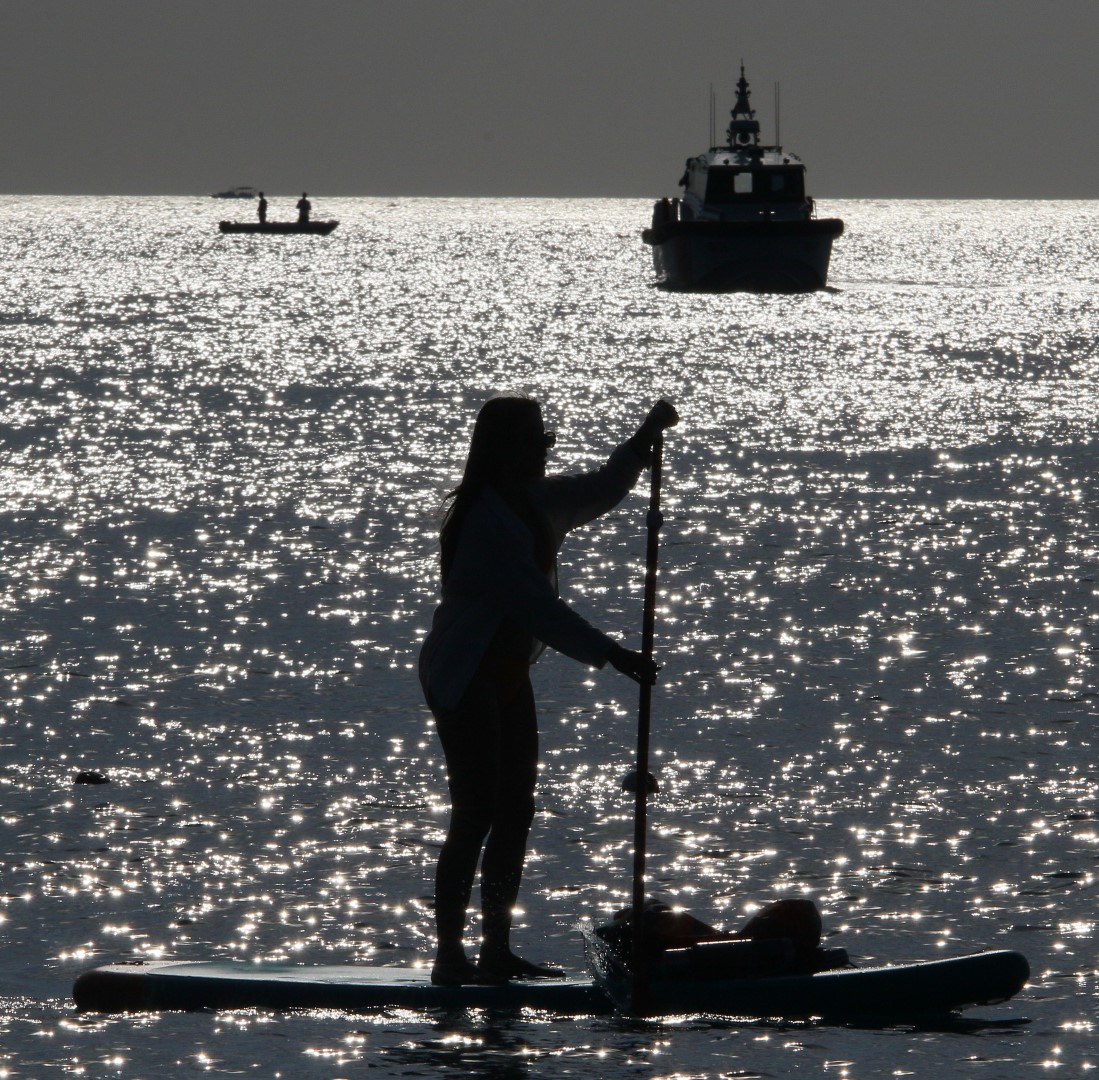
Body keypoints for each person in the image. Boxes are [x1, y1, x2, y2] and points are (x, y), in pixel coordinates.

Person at [419, 393, 679, 986]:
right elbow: (537, 608)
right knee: (476, 812)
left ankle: (496, 952)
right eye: (536, 438)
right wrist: (614, 655)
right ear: (505, 450)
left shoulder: (537, 502)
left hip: (508, 674)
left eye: (546, 437)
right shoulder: (485, 521)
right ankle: (449, 958)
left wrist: (646, 435)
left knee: (517, 810)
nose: (547, 446)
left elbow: (604, 487)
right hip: (464, 674)